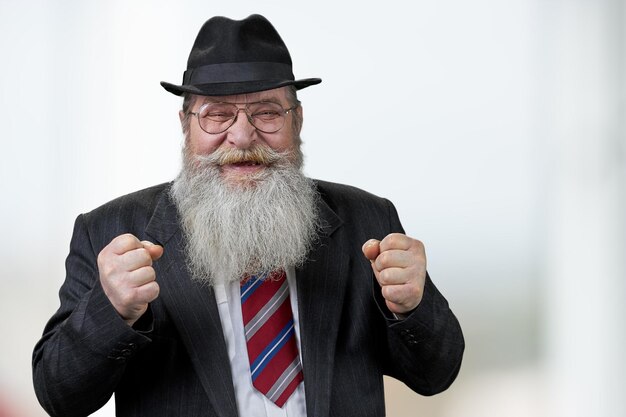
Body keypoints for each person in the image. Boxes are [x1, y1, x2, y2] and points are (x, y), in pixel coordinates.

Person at [32, 14, 464, 417]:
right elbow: (60, 397)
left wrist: (412, 306)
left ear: (297, 121)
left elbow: (435, 375)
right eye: (216, 114)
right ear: (186, 126)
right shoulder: (109, 230)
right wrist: (113, 311)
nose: (241, 136)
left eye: (267, 112)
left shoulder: (368, 220)